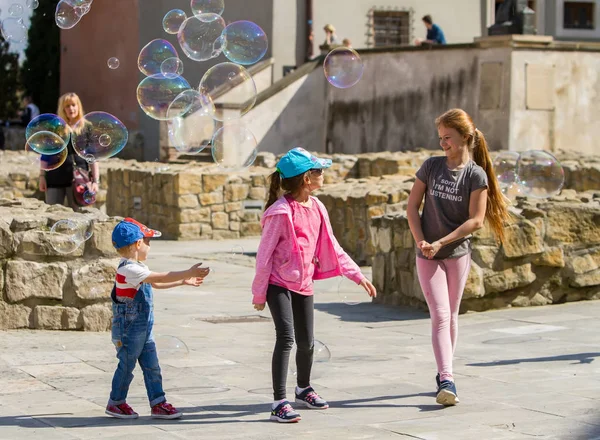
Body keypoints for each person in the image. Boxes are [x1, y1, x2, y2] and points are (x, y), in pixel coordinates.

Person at [252, 147, 377, 423]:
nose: (323, 174)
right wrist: (259, 292)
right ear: (306, 178)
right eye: (319, 171)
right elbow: (264, 256)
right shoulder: (280, 212)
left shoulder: (318, 207)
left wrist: (358, 275)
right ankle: (279, 401)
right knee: (286, 338)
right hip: (278, 283)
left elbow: (332, 245)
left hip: (303, 282)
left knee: (307, 342)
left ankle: (303, 388)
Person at [406, 109, 509, 406]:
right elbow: (412, 207)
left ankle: (443, 374)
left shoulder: (475, 174)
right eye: (440, 138)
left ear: (465, 137)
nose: (443, 144)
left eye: (448, 138)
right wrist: (422, 241)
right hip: (427, 254)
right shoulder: (431, 167)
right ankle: (447, 378)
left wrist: (441, 242)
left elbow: (476, 220)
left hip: (457, 254)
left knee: (451, 314)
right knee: (439, 314)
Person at [106, 217, 211, 420]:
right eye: (148, 242)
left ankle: (158, 402)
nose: (149, 246)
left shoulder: (138, 267)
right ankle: (116, 402)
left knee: (152, 365)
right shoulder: (129, 269)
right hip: (128, 330)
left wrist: (183, 281)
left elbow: (155, 284)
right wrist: (188, 271)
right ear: (138, 243)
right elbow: (160, 277)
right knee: (126, 366)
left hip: (143, 329)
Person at [39, 93, 99, 209]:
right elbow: (46, 154)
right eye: (67, 106)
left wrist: (95, 181)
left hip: (80, 180)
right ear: (62, 108)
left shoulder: (86, 127)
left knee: (80, 217)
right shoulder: (55, 127)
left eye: (73, 105)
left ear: (78, 106)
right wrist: (42, 176)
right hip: (55, 178)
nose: (71, 108)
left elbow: (92, 157)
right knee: (52, 214)